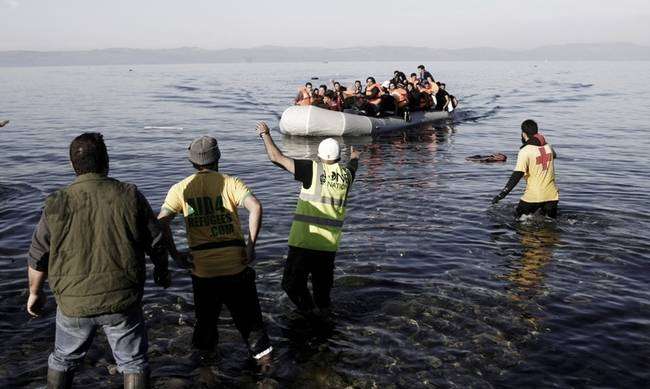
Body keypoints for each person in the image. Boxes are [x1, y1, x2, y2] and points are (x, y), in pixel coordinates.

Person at [26, 132, 170, 389]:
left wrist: (34, 293)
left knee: (63, 358)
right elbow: (156, 242)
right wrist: (162, 271)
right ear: (106, 161)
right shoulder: (129, 194)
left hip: (72, 301)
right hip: (121, 299)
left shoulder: (57, 201)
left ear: (73, 165)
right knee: (133, 363)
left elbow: (38, 255)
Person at [157, 136, 272, 369]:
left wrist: (175, 255)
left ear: (192, 161)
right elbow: (256, 207)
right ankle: (266, 375)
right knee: (252, 327)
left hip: (203, 271)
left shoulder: (180, 188)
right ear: (217, 158)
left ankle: (206, 375)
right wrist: (250, 246)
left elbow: (161, 222)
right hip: (236, 266)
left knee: (206, 326)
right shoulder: (230, 182)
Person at [256, 122, 360, 319]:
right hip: (328, 246)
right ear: (338, 157)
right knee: (323, 294)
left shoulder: (312, 169)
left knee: (291, 285)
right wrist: (354, 157)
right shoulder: (346, 176)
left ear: (319, 156)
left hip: (304, 242)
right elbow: (352, 167)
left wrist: (265, 134)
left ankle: (308, 313)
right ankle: (325, 325)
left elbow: (276, 158)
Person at [492, 120, 559, 218]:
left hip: (533, 197)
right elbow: (554, 156)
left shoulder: (525, 151)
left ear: (523, 134)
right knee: (549, 225)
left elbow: (517, 175)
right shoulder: (548, 147)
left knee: (517, 221)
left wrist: (502, 194)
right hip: (552, 196)